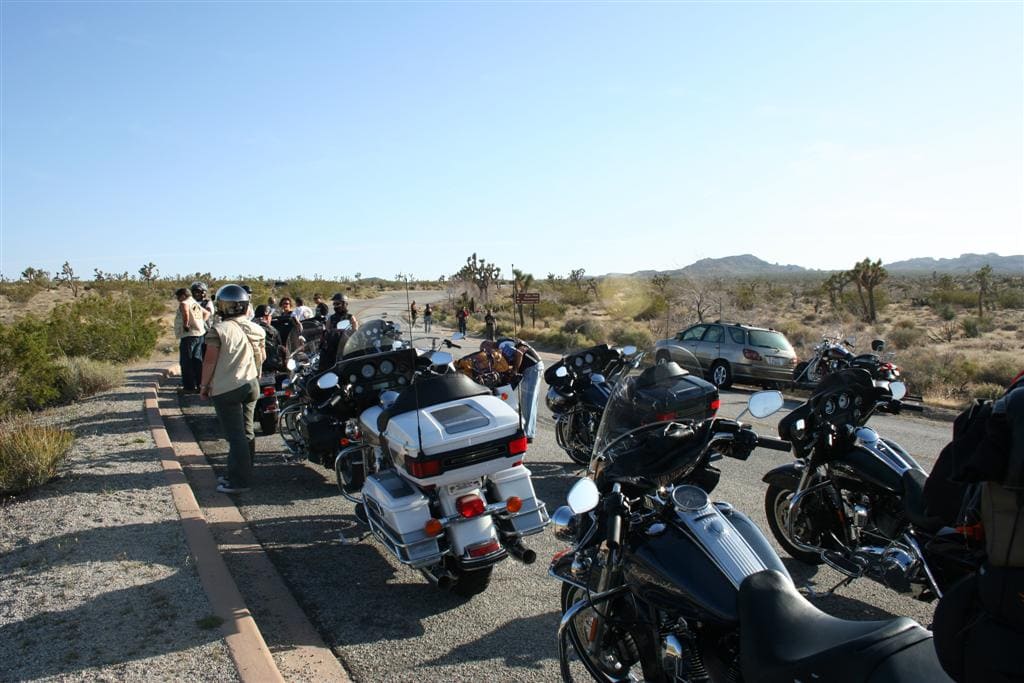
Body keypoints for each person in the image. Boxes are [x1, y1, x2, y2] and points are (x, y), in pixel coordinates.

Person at [199, 284, 266, 494]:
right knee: (247, 433)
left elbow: (209, 362)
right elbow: (261, 357)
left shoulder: (218, 331)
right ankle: (243, 473)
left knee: (235, 436)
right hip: (251, 384)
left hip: (227, 388)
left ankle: (239, 481)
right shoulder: (256, 328)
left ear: (222, 306)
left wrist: (203, 386)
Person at [496, 338, 544, 442]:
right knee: (529, 401)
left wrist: (514, 370)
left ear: (488, 345)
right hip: (531, 367)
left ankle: (527, 434)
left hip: (532, 368)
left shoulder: (502, 345)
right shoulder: (503, 344)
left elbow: (519, 353)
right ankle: (528, 431)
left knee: (528, 401)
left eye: (486, 349)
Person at [174, 287, 206, 393]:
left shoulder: (185, 303)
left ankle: (188, 387)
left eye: (178, 296)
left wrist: (186, 324)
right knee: (197, 361)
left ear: (183, 295)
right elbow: (206, 313)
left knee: (186, 362)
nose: (178, 299)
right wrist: (200, 322)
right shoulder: (195, 303)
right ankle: (200, 385)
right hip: (199, 334)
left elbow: (185, 312)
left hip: (189, 335)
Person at [253, 304, 285, 372]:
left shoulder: (250, 325)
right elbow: (278, 346)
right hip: (270, 365)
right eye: (270, 316)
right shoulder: (271, 330)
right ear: (267, 317)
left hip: (253, 366)